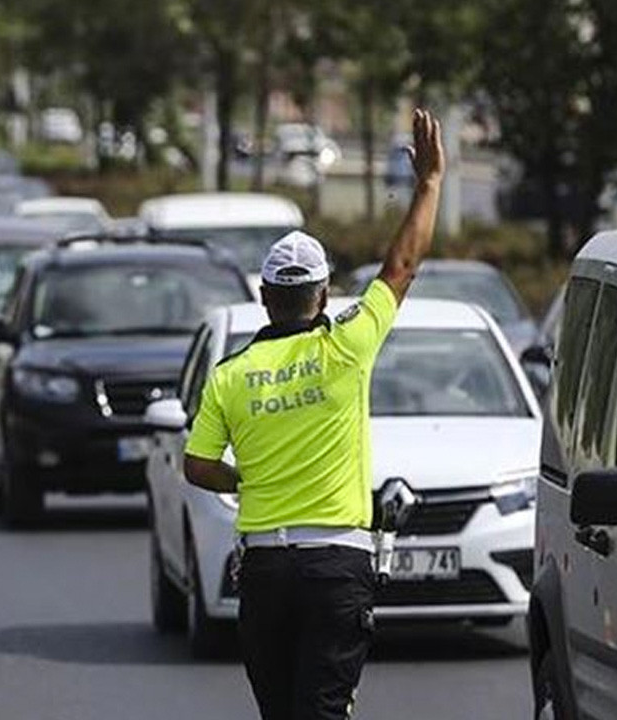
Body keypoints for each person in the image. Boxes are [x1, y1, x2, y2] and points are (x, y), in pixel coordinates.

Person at [183, 108, 445, 720]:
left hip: (265, 570)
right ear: (324, 295)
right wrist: (429, 184)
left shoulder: (231, 375)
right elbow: (402, 266)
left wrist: (245, 479)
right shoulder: (348, 346)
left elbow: (197, 465)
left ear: (264, 297)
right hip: (337, 566)